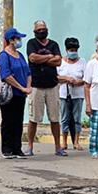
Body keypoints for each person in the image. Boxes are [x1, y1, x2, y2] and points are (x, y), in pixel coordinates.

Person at [25, 20, 64, 157]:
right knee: (34, 118)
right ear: (35, 31)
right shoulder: (31, 43)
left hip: (52, 85)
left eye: (44, 29)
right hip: (36, 86)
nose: (42, 31)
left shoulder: (54, 44)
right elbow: (32, 58)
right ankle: (29, 146)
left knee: (55, 118)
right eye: (39, 29)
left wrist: (42, 59)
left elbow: (59, 61)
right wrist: (49, 57)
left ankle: (58, 147)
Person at [0, 27, 32, 159]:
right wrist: (20, 87)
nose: (19, 41)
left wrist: (27, 87)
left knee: (18, 121)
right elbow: (6, 75)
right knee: (8, 120)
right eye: (17, 38)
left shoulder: (20, 55)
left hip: (21, 94)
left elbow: (28, 72)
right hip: (10, 93)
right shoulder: (4, 56)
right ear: (11, 40)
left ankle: (17, 148)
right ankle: (7, 148)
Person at [58, 38, 86, 151]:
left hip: (78, 94)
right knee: (64, 118)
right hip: (64, 94)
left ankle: (76, 141)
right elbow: (56, 77)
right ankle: (64, 142)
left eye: (75, 50)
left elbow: (86, 78)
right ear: (66, 49)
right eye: (71, 50)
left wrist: (77, 82)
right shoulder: (61, 62)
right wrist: (66, 78)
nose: (73, 52)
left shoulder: (83, 62)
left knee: (77, 118)